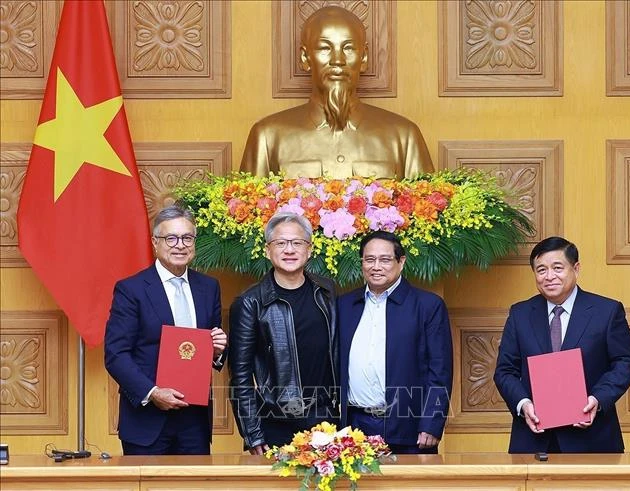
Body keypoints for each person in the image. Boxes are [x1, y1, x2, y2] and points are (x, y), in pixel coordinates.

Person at [240, 6, 433, 180]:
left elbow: (427, 212)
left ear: (363, 57)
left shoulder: (404, 136)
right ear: (305, 57)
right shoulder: (267, 136)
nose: (338, 60)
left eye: (348, 48)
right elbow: (249, 213)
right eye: (325, 48)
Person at [494, 236, 630, 453]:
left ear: (576, 268)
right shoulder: (520, 314)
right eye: (541, 270)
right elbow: (505, 371)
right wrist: (523, 404)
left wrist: (598, 399)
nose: (549, 276)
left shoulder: (606, 311)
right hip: (534, 440)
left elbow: (625, 362)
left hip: (592, 439)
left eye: (557, 268)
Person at [104, 205, 227, 455]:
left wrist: (218, 350)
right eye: (171, 238)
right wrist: (153, 392)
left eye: (187, 238)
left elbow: (210, 350)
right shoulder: (132, 289)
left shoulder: (209, 287)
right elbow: (116, 354)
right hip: (147, 419)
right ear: (155, 243)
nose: (179, 245)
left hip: (194, 421)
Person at [229, 212, 338, 454]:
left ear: (309, 250)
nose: (289, 249)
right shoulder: (250, 302)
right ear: (268, 250)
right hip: (274, 423)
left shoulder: (326, 291)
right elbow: (240, 377)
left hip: (324, 418)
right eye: (281, 243)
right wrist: (253, 434)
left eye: (297, 243)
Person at [338, 231, 453, 454]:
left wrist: (432, 422)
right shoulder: (344, 305)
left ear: (401, 262)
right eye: (369, 260)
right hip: (353, 428)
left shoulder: (427, 305)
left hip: (409, 428)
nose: (376, 266)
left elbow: (440, 371)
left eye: (385, 259)